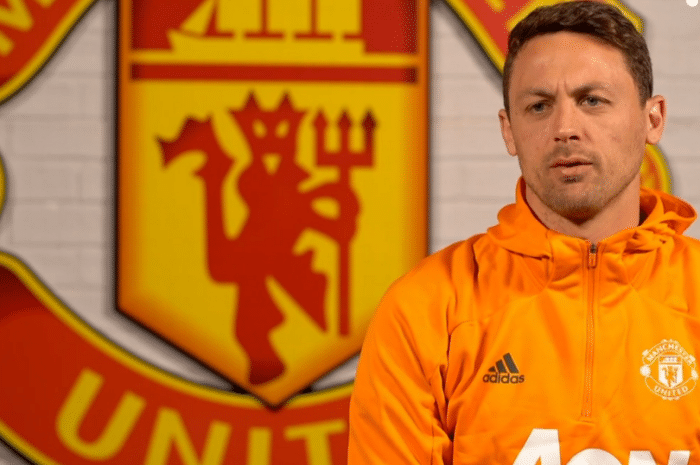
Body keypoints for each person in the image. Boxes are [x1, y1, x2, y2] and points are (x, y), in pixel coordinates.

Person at [348, 1, 700, 463]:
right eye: (539, 106)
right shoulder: (426, 308)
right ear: (509, 130)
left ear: (652, 119)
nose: (565, 128)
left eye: (592, 100)